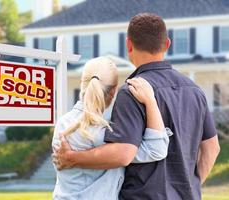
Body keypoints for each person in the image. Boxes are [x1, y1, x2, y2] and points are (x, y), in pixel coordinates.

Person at [54, 13, 220, 200]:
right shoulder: (195, 91)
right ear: (167, 44)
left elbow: (123, 152)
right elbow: (212, 148)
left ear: (129, 45)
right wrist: (189, 188)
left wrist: (73, 158)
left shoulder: (132, 91)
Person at [52, 57, 172, 200]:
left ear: (82, 83)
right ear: (114, 91)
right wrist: (150, 101)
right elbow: (156, 149)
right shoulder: (106, 132)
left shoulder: (63, 123)